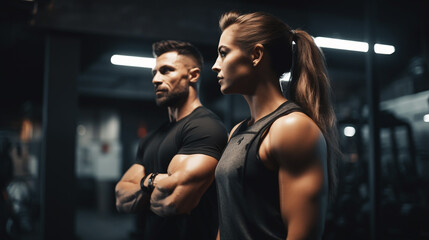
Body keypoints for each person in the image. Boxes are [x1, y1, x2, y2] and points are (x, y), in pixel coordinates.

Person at [212, 11, 340, 240]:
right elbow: (230, 218)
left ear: (256, 55)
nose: (215, 66)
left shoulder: (292, 128)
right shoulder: (237, 131)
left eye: (223, 54)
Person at [115, 40, 228, 240]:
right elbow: (120, 199)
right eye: (154, 73)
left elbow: (172, 202)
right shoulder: (151, 138)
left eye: (166, 71)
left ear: (193, 75)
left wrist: (141, 184)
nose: (156, 80)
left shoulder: (205, 128)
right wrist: (153, 181)